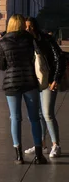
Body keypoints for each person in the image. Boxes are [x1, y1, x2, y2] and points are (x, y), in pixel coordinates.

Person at [0, 14, 47, 164]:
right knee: (34, 118)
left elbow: (1, 66)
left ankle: (19, 155)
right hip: (29, 81)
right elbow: (37, 56)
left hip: (11, 83)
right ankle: (39, 154)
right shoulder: (29, 39)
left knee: (15, 118)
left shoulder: (3, 41)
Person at [26, 17, 64, 158]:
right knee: (39, 114)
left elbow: (58, 58)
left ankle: (56, 144)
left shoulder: (46, 40)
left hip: (48, 81)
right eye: (26, 27)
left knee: (47, 113)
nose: (28, 29)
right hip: (35, 82)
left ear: (35, 27)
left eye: (30, 27)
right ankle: (42, 145)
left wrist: (56, 79)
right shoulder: (27, 42)